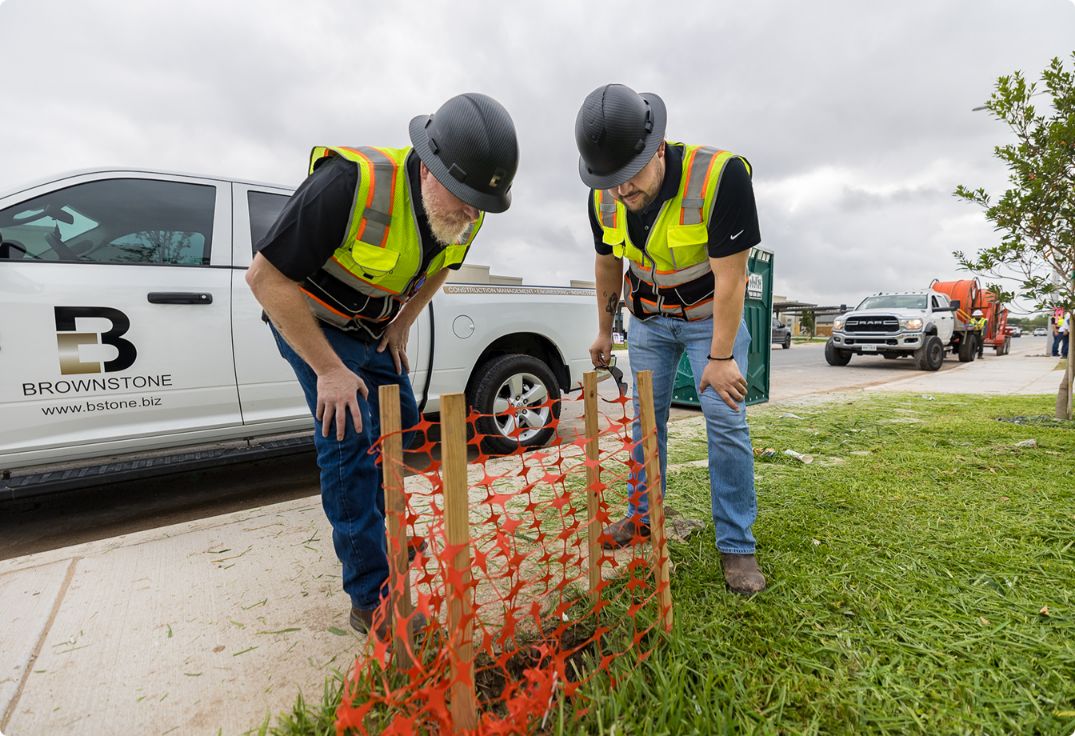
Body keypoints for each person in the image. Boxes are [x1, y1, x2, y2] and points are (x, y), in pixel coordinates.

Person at [246, 93, 519, 636]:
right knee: (350, 444)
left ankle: (384, 529)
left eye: (480, 205)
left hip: (373, 331)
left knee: (400, 435)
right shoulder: (351, 182)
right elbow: (265, 280)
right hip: (314, 329)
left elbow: (445, 264)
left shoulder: (469, 211)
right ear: (431, 165)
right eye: (463, 197)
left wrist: (404, 320)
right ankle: (371, 597)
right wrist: (328, 371)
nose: (471, 214)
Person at [574, 84, 765, 595]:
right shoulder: (605, 195)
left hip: (710, 319)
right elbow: (608, 262)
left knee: (724, 422)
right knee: (646, 423)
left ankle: (737, 547)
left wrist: (721, 356)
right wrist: (603, 329)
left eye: (629, 176)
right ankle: (643, 515)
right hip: (648, 320)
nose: (621, 191)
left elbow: (733, 279)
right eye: (608, 181)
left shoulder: (720, 177)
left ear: (657, 147)